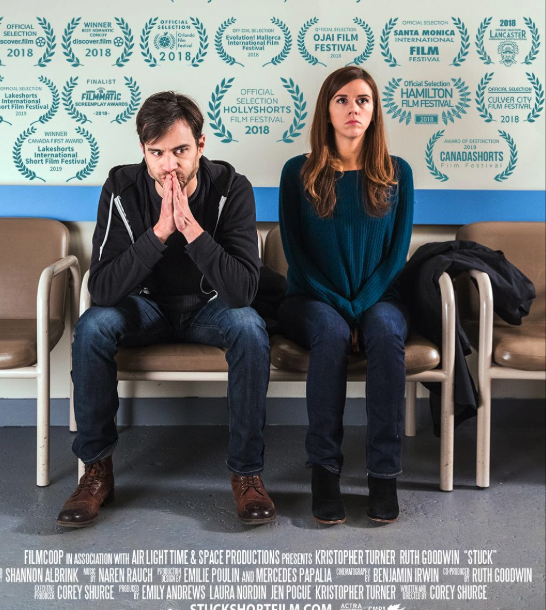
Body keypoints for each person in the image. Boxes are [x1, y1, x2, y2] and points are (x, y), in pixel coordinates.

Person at [57, 91, 275, 528]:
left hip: (210, 308)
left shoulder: (232, 188)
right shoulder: (121, 187)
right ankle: (96, 470)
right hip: (145, 309)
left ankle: (246, 472)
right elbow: (101, 287)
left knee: (250, 328)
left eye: (180, 150)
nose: (168, 165)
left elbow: (243, 290)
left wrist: (192, 230)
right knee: (93, 326)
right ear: (143, 151)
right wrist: (158, 233)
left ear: (201, 145)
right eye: (156, 153)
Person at [277, 67, 414, 524]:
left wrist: (362, 307)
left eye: (362, 100)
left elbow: (396, 256)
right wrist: (343, 307)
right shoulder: (297, 172)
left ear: (374, 111)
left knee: (386, 332)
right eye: (342, 100)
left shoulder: (398, 173)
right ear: (326, 109)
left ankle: (383, 475)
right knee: (332, 332)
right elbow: (295, 254)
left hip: (380, 299)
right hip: (312, 298)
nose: (353, 108)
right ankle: (325, 473)